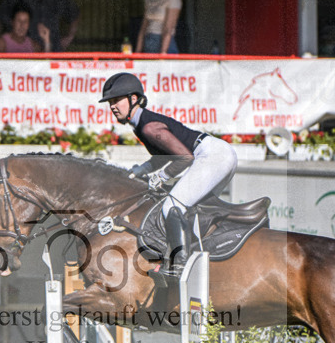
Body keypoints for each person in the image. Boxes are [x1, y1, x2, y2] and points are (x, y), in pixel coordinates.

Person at [98, 72, 238, 276]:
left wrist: (161, 176)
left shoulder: (148, 126)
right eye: (110, 101)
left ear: (133, 99)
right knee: (195, 208)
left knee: (172, 205)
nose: (112, 106)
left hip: (212, 156)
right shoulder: (141, 124)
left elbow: (185, 157)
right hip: (219, 154)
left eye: (116, 100)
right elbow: (161, 156)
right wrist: (142, 170)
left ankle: (180, 264)